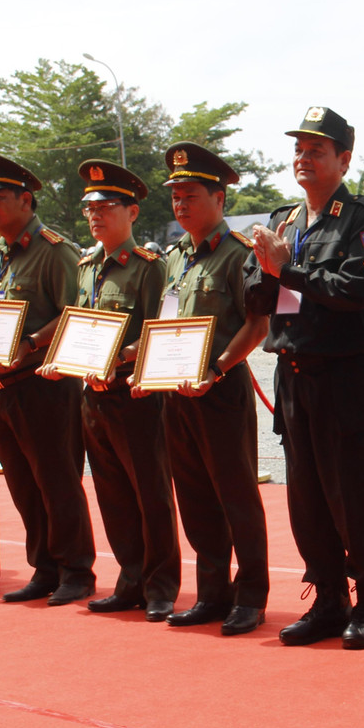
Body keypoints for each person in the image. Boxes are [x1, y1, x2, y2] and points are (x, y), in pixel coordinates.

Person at [244, 107, 364, 649]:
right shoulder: (285, 219)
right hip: (293, 373)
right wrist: (265, 267)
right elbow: (255, 296)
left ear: (343, 159)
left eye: (317, 151)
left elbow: (355, 289)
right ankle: (328, 597)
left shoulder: (360, 217)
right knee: (306, 495)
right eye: (299, 150)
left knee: (353, 492)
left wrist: (288, 269)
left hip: (343, 373)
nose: (304, 159)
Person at [40, 159, 180, 622]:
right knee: (112, 494)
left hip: (133, 395)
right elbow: (76, 324)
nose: (96, 216)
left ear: (133, 213)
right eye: (90, 209)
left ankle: (160, 586)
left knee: (150, 493)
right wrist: (63, 361)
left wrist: (118, 359)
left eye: (107, 207)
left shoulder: (148, 267)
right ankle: (130, 579)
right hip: (92, 395)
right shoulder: (85, 266)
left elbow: (163, 331)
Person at [143, 141, 270, 636]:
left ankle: (252, 595)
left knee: (236, 495)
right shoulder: (174, 258)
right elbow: (166, 322)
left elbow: (256, 326)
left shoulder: (239, 254)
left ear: (219, 198)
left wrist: (216, 368)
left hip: (220, 389)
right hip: (175, 392)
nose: (180, 204)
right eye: (175, 195)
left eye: (190, 193)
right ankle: (213, 593)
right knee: (194, 495)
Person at [0, 152, 95, 605]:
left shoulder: (55, 251)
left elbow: (72, 314)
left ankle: (76, 570)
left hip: (43, 385)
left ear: (26, 199)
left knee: (57, 480)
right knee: (22, 483)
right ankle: (44, 566)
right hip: (0, 389)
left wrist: (27, 345)